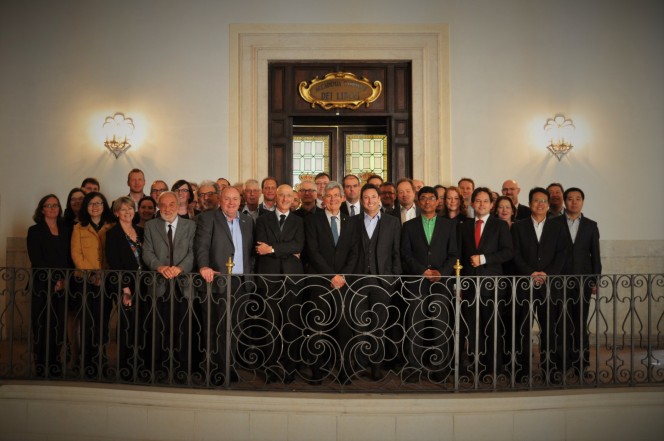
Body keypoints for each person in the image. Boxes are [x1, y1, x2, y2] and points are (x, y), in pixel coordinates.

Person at [195, 185, 254, 385]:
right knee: (216, 328)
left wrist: (249, 273)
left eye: (235, 199)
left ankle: (229, 366)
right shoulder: (208, 218)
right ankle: (216, 370)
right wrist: (204, 266)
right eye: (227, 199)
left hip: (241, 282)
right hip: (217, 280)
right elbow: (202, 246)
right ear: (220, 200)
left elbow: (249, 251)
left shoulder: (247, 220)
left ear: (240, 201)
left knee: (235, 328)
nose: (231, 203)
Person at [511, 187, 569, 383]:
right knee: (522, 329)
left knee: (549, 329)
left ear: (548, 204)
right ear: (530, 204)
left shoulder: (557, 227)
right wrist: (530, 273)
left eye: (544, 201)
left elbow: (562, 253)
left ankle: (549, 369)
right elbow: (515, 253)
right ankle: (522, 370)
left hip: (549, 286)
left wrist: (547, 274)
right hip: (524, 285)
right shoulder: (519, 226)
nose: (540, 204)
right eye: (536, 200)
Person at [400, 186, 458, 382]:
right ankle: (414, 368)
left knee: (441, 325)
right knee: (415, 325)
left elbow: (453, 254)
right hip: (417, 281)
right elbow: (405, 254)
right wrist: (422, 271)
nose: (427, 201)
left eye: (431, 198)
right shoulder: (409, 226)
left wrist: (441, 272)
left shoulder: (448, 225)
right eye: (423, 198)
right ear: (418, 201)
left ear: (437, 201)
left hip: (441, 282)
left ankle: (441, 369)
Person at [304, 181, 359, 384]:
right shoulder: (312, 221)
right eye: (329, 196)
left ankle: (344, 371)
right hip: (320, 282)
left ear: (343, 198)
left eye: (337, 195)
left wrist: (342, 276)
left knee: (344, 329)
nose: (333, 199)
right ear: (323, 199)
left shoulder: (351, 221)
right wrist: (331, 276)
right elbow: (313, 252)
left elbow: (355, 253)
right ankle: (317, 372)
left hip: (343, 284)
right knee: (318, 327)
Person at [142, 191, 197, 383]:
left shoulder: (190, 225)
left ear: (178, 204)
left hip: (183, 285)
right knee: (158, 329)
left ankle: (183, 370)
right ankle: (158, 369)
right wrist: (160, 267)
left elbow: (193, 252)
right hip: (159, 284)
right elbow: (147, 252)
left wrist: (180, 268)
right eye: (163, 205)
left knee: (183, 329)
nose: (167, 208)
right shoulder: (151, 226)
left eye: (171, 204)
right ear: (158, 207)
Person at [459, 187, 513, 379]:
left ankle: (494, 368)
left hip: (492, 285)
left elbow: (508, 252)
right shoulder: (464, 226)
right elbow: (460, 256)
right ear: (472, 203)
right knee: (473, 330)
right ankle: (477, 366)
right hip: (469, 286)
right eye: (478, 201)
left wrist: (484, 259)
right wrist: (459, 283)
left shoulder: (500, 226)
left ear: (491, 205)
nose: (481, 204)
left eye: (485, 201)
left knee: (493, 329)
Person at [351, 183, 402, 380]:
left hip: (383, 281)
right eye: (366, 197)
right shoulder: (353, 222)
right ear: (361, 200)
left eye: (373, 197)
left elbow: (396, 253)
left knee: (378, 326)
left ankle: (376, 367)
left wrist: (393, 278)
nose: (370, 200)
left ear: (379, 199)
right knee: (359, 325)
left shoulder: (393, 222)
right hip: (358, 281)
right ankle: (360, 364)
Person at [255, 184, 305, 384]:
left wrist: (273, 249)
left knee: (291, 324)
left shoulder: (299, 221)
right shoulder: (262, 220)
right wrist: (287, 250)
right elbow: (261, 247)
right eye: (281, 195)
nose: (285, 199)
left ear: (293, 199)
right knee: (271, 324)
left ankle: (290, 368)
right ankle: (271, 368)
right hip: (270, 278)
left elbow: (299, 245)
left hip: (292, 279)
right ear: (275, 197)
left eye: (288, 196)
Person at [71, 191, 114, 378]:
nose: (95, 207)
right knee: (87, 322)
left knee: (102, 322)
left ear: (104, 206)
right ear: (85, 207)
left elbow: (113, 253)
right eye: (91, 204)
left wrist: (103, 274)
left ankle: (100, 359)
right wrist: (90, 274)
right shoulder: (78, 228)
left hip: (106, 281)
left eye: (98, 203)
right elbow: (76, 254)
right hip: (85, 281)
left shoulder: (111, 226)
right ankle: (87, 362)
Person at [27, 194, 71, 377]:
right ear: (42, 209)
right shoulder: (35, 230)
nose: (53, 208)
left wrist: (63, 280)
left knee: (58, 324)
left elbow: (69, 257)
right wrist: (53, 281)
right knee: (41, 324)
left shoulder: (66, 229)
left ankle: (54, 362)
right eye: (49, 205)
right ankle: (41, 363)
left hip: (62, 284)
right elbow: (36, 258)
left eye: (56, 205)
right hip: (42, 284)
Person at [561, 187, 601, 375]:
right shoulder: (555, 223)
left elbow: (595, 255)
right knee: (562, 324)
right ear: (565, 201)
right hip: (560, 282)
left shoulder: (591, 225)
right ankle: (564, 362)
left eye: (578, 198)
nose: (574, 202)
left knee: (580, 323)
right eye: (570, 198)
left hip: (583, 282)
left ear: (583, 202)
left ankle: (581, 363)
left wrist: (595, 280)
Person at [104, 197, 145, 381]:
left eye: (130, 208)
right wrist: (125, 289)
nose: (127, 212)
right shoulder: (112, 234)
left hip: (143, 284)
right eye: (123, 209)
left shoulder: (141, 231)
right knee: (127, 324)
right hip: (125, 285)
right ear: (116, 213)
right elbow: (114, 263)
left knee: (141, 323)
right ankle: (125, 365)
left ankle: (140, 363)